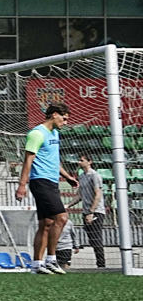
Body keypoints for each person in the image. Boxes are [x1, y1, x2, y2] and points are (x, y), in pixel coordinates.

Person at [18, 102, 71, 273]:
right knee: (61, 218)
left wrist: (67, 176)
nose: (65, 122)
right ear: (55, 114)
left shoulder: (55, 133)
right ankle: (51, 259)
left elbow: (53, 159)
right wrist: (21, 185)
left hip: (52, 181)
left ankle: (37, 264)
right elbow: (28, 160)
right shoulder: (36, 134)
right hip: (40, 181)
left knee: (46, 223)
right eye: (64, 118)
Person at [71, 151, 107, 269]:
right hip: (86, 211)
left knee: (96, 238)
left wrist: (91, 212)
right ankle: (100, 264)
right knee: (92, 239)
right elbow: (80, 195)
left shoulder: (95, 175)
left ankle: (101, 265)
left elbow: (98, 194)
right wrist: (68, 205)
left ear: (89, 162)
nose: (79, 162)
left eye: (82, 160)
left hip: (96, 211)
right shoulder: (81, 176)